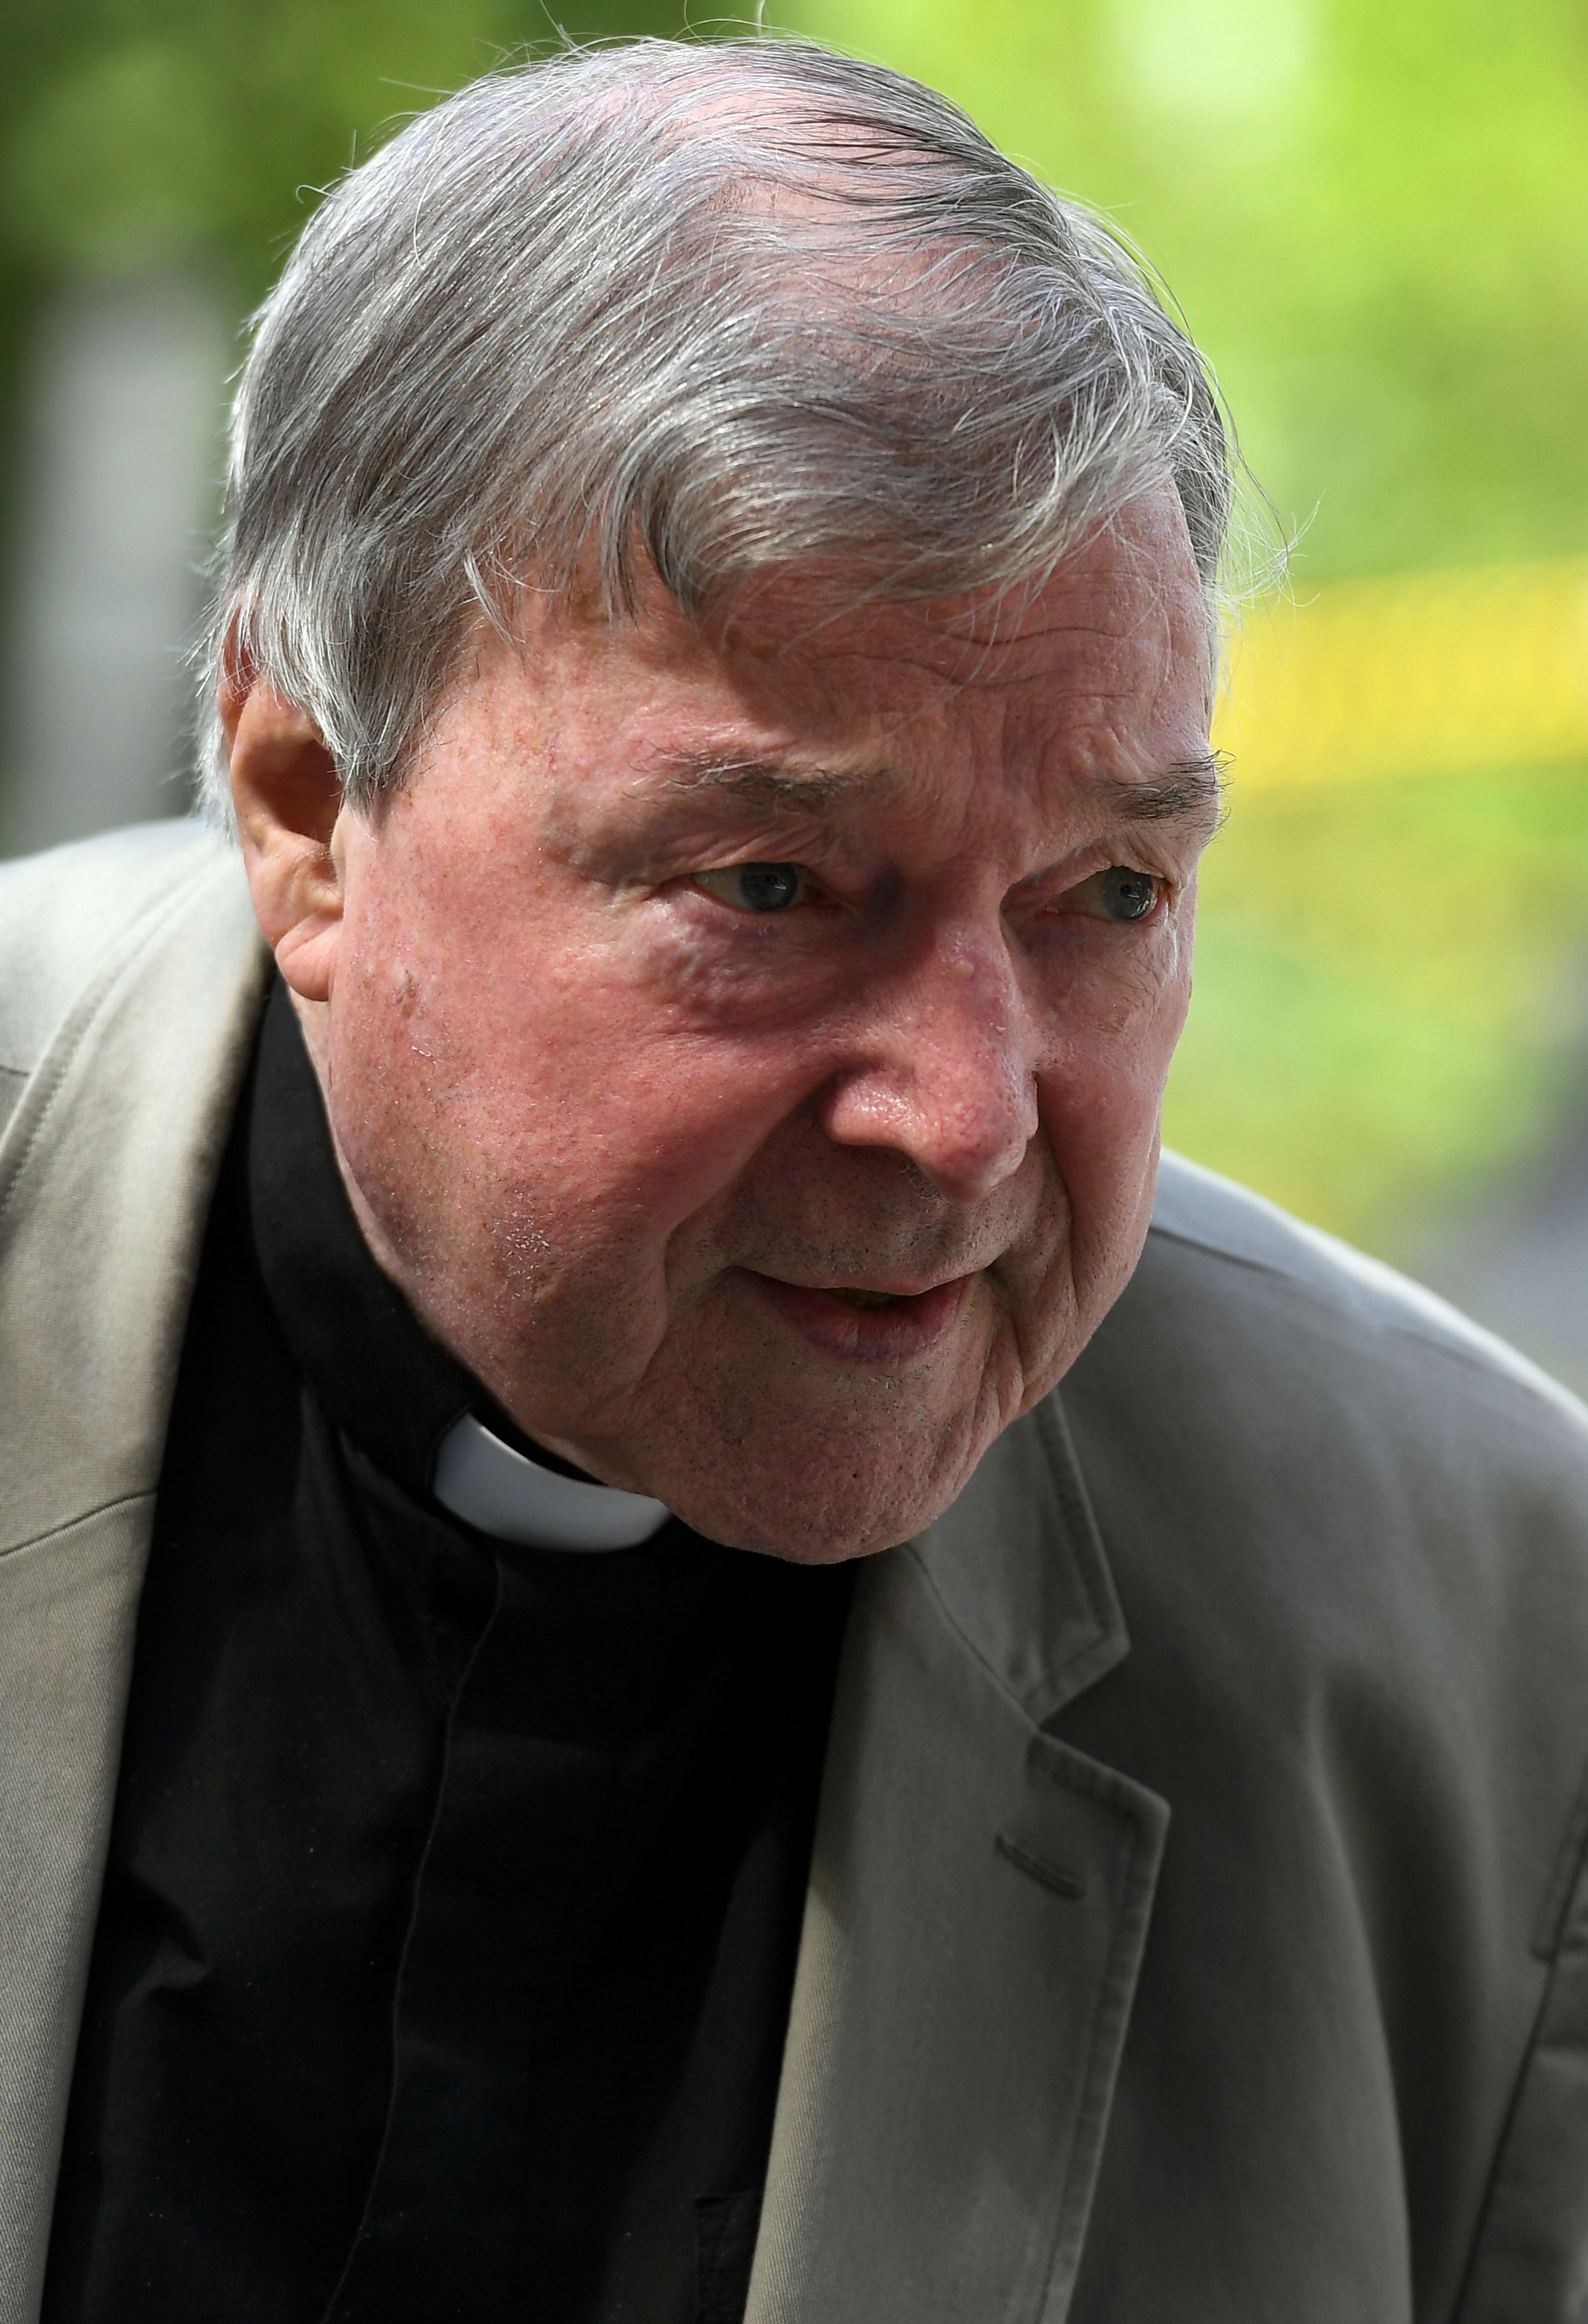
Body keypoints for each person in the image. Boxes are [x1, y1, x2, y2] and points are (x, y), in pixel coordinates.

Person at [1, 34, 1585, 2324]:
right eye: (771, 882)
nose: (965, 1117)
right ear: (305, 796)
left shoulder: (1484, 1660)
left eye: (1111, 894)